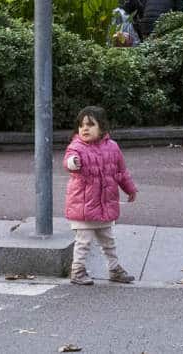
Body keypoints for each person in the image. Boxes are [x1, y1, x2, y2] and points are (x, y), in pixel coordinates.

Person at [63, 105, 137, 286]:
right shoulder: (76, 147)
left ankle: (114, 269)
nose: (85, 129)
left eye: (90, 125)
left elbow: (120, 172)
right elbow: (68, 161)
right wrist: (73, 163)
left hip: (105, 205)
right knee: (83, 242)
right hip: (84, 206)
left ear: (102, 127)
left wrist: (130, 189)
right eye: (81, 125)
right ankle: (78, 270)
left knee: (108, 241)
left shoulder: (112, 147)